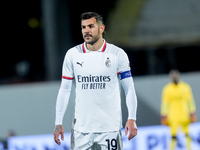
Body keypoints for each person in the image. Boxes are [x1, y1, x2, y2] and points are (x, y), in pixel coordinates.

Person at [53, 12, 138, 150]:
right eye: (83, 27)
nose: (86, 30)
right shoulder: (72, 55)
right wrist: (58, 122)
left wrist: (132, 118)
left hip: (110, 128)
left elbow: (129, 88)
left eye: (91, 26)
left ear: (101, 28)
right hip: (81, 130)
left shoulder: (117, 54)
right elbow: (64, 90)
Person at [161, 69, 196, 150]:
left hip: (184, 113)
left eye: (176, 75)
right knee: (173, 135)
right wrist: (164, 115)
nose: (174, 77)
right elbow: (165, 103)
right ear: (170, 77)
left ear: (179, 76)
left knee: (187, 134)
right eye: (173, 76)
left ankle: (189, 148)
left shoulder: (185, 87)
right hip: (173, 114)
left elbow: (190, 100)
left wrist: (192, 112)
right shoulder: (167, 89)